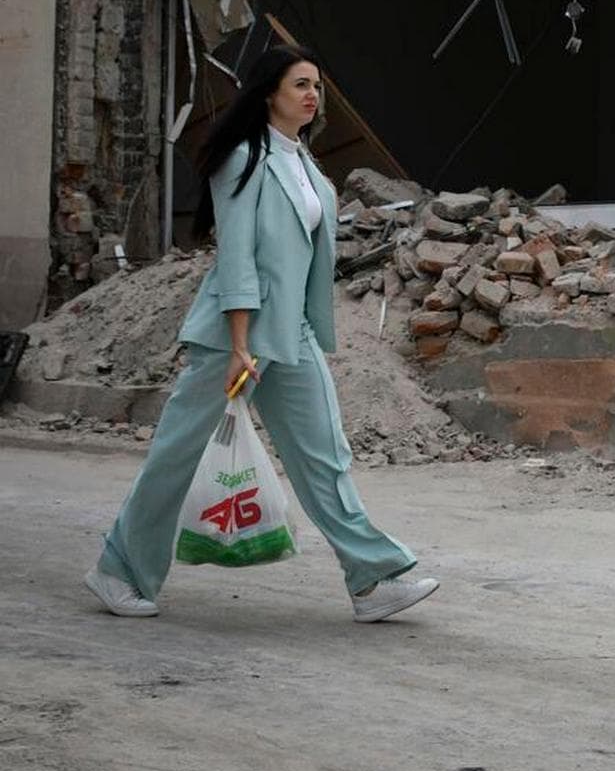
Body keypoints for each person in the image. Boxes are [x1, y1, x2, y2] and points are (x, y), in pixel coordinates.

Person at [85, 44, 439, 624]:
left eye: (317, 86)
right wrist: (240, 343)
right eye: (300, 84)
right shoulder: (244, 160)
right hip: (237, 337)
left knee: (325, 457)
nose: (312, 95)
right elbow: (238, 258)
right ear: (269, 92)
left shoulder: (306, 163)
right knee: (180, 455)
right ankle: (118, 569)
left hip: (291, 333)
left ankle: (373, 580)